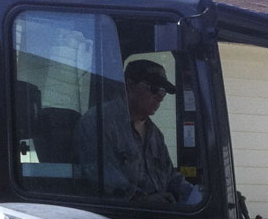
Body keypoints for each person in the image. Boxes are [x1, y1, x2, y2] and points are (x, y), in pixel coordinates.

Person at [75, 58, 200, 205]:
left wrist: (195, 196)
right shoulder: (98, 122)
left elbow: (170, 176)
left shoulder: (155, 134)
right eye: (154, 88)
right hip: (123, 213)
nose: (160, 97)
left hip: (158, 212)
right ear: (130, 85)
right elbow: (101, 177)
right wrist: (143, 200)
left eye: (164, 92)